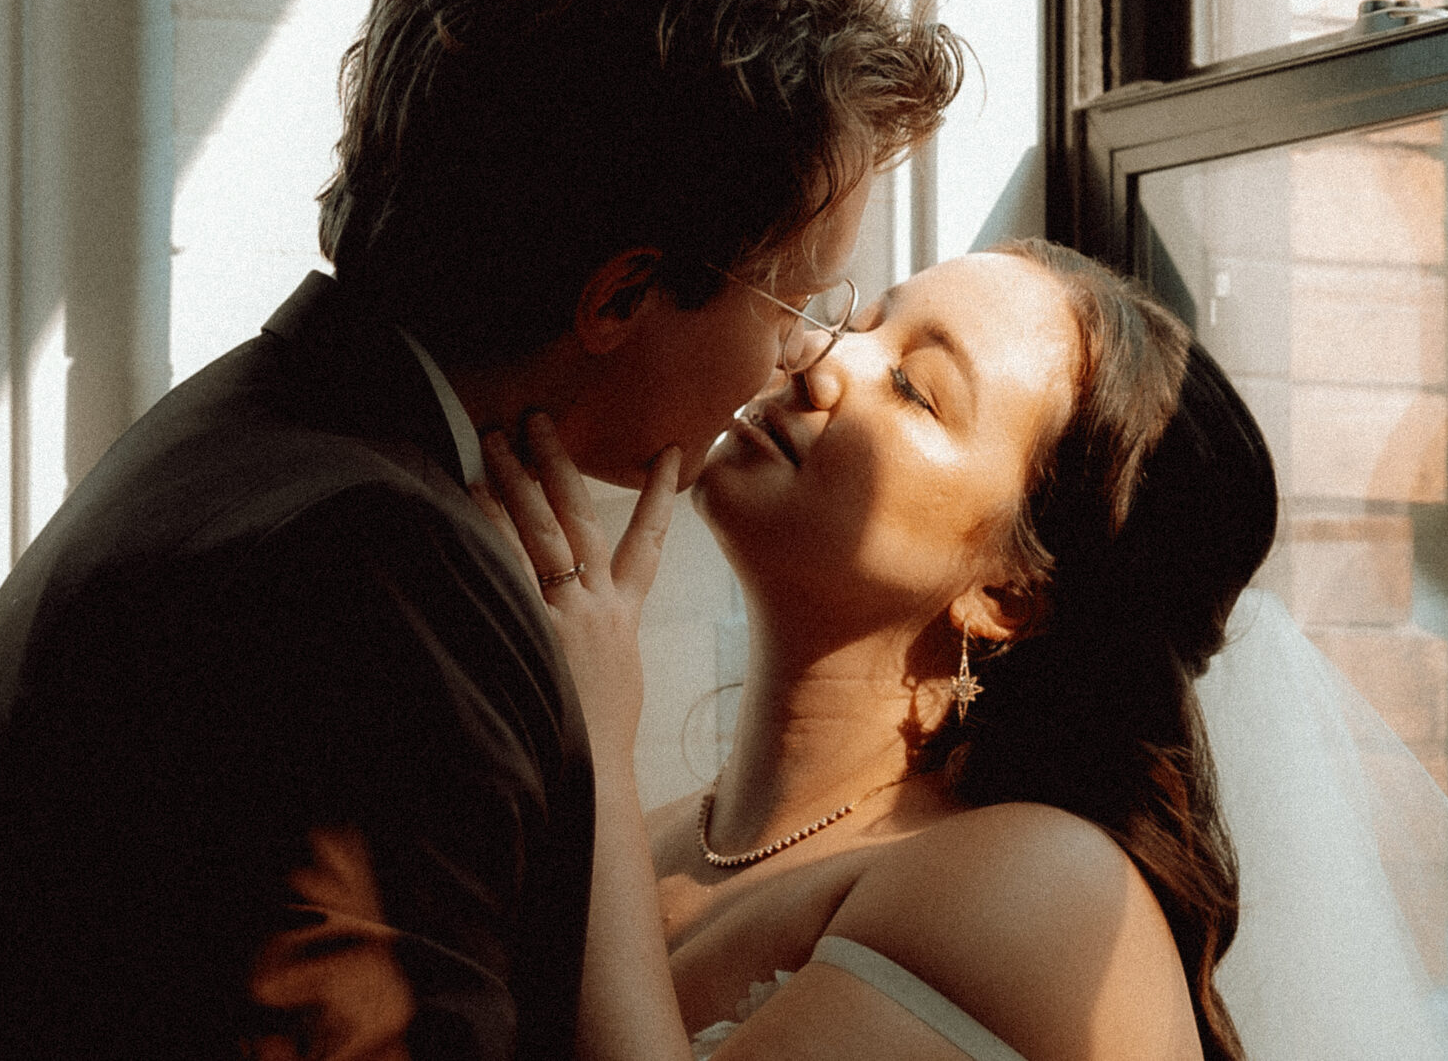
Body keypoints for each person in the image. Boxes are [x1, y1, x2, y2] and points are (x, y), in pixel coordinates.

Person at [0, 0, 963, 1060]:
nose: (803, 353)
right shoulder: (369, 567)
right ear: (623, 292)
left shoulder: (253, 440)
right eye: (792, 293)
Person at [479, 240, 1281, 1060]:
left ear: (1006, 598)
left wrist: (594, 753)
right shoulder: (645, 839)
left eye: (913, 389)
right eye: (852, 321)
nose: (812, 358)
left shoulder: (1046, 886)